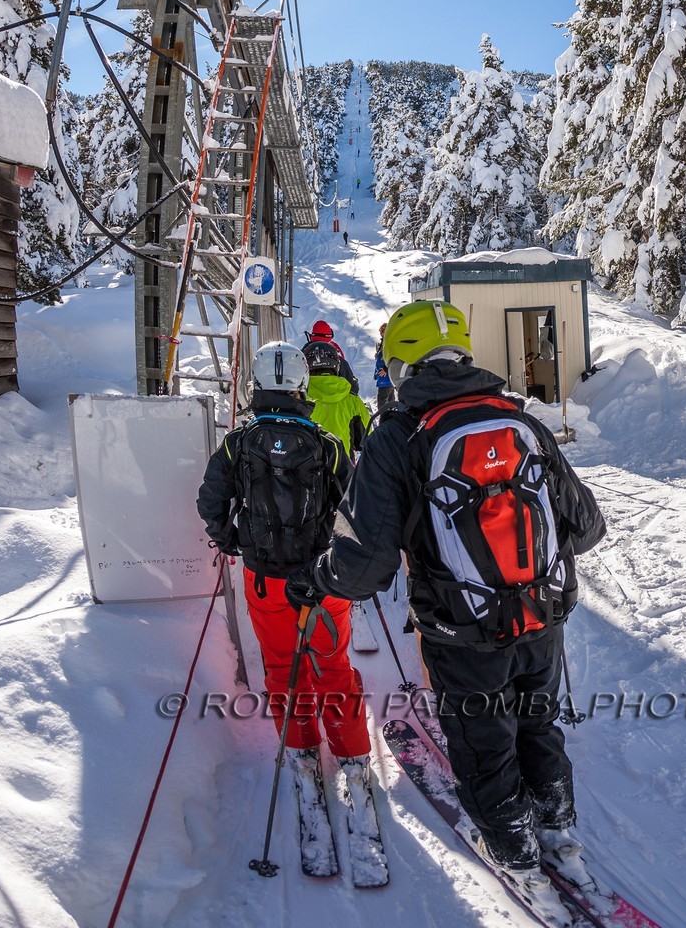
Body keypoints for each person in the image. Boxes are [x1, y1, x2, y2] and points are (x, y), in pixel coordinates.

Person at [286, 301, 605, 913]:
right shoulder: (521, 421)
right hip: (541, 616)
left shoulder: (398, 436)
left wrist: (315, 578)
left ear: (400, 361)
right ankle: (559, 832)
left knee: (483, 737)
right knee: (538, 723)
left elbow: (364, 563)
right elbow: (586, 525)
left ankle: (511, 852)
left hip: (463, 629)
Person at [196, 341, 371, 797]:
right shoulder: (328, 447)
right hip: (321, 583)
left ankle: (301, 751)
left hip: (265, 581)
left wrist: (231, 540)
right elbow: (355, 516)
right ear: (301, 386)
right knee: (333, 668)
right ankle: (353, 756)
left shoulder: (239, 442)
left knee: (280, 669)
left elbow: (210, 501)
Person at [302, 333, 371, 456]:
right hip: (342, 469)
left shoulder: (298, 399)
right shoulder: (353, 401)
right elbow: (366, 441)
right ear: (337, 366)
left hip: (306, 469)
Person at [373, 322, 395, 412]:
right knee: (390, 399)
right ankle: (392, 417)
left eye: (384, 331)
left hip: (386, 379)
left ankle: (383, 420)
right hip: (385, 378)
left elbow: (394, 356)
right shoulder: (383, 343)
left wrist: (386, 368)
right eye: (381, 331)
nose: (382, 333)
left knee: (382, 402)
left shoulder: (389, 343)